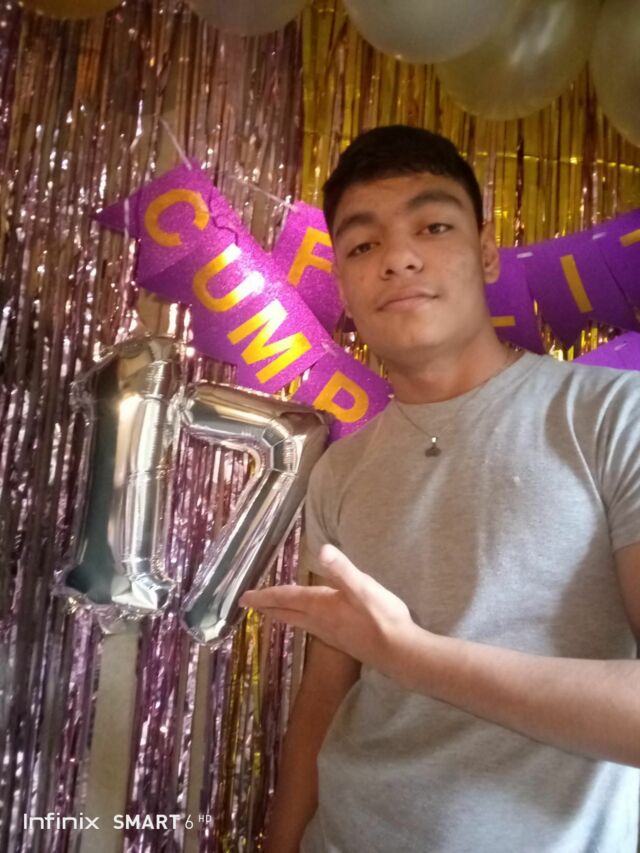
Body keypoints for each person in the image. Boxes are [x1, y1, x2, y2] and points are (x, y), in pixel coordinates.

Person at [240, 125, 640, 853]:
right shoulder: (340, 470)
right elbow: (324, 698)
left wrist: (412, 654)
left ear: (486, 251)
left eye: (433, 226)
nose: (398, 257)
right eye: (364, 245)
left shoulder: (614, 416)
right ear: (344, 284)